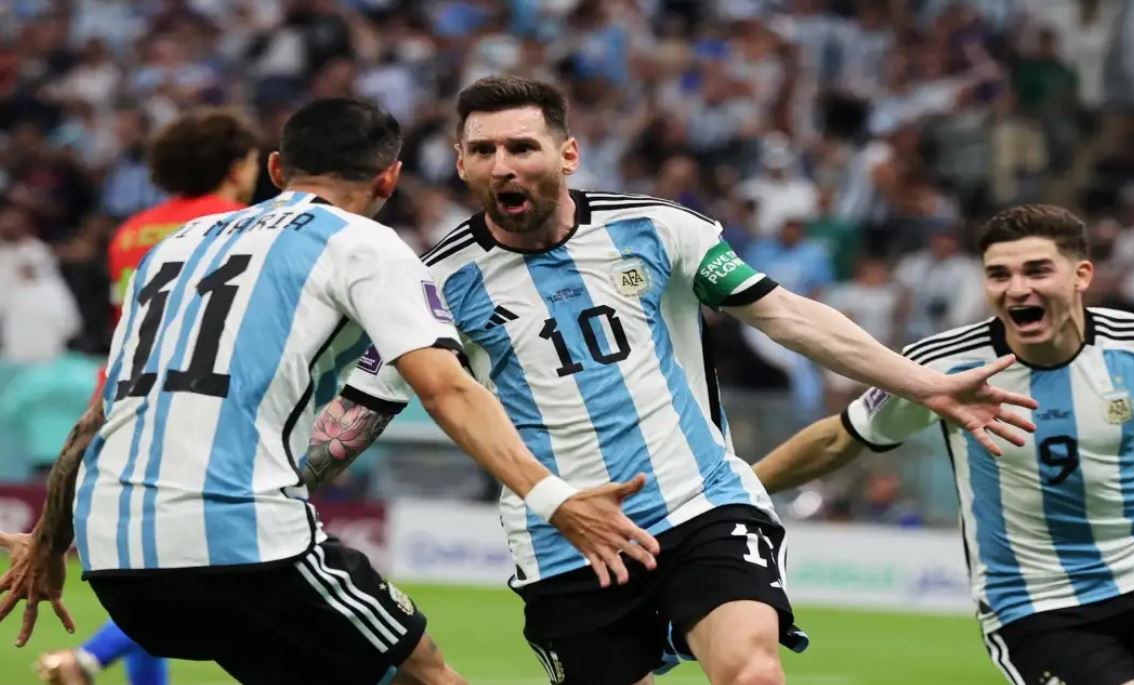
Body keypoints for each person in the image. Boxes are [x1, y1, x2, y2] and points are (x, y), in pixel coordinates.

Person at [319, 75, 1037, 685]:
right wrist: (279, 485)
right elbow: (360, 409)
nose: (502, 165)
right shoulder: (434, 284)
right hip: (563, 539)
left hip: (699, 504)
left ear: (567, 154)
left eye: (521, 147)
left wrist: (923, 384)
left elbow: (785, 315)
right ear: (460, 164)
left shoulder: (658, 230)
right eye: (483, 151)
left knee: (752, 672)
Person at [0, 97, 659, 685]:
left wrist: (49, 543)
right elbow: (446, 391)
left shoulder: (171, 250)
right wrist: (554, 499)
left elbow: (95, 418)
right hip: (242, 543)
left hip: (116, 560)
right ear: (389, 178)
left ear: (277, 168)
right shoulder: (364, 244)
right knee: (426, 672)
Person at [752, 204, 1134, 685]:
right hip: (1039, 603)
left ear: (1082, 275)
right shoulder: (942, 366)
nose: (1017, 288)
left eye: (1037, 271)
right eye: (999, 274)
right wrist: (731, 493)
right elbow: (840, 437)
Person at [35, 106, 262, 685]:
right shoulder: (246, 225)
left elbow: (126, 325)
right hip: (203, 403)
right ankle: (87, 660)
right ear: (235, 166)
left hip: (120, 401)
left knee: (145, 562)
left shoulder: (131, 232)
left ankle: (104, 666)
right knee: (216, 568)